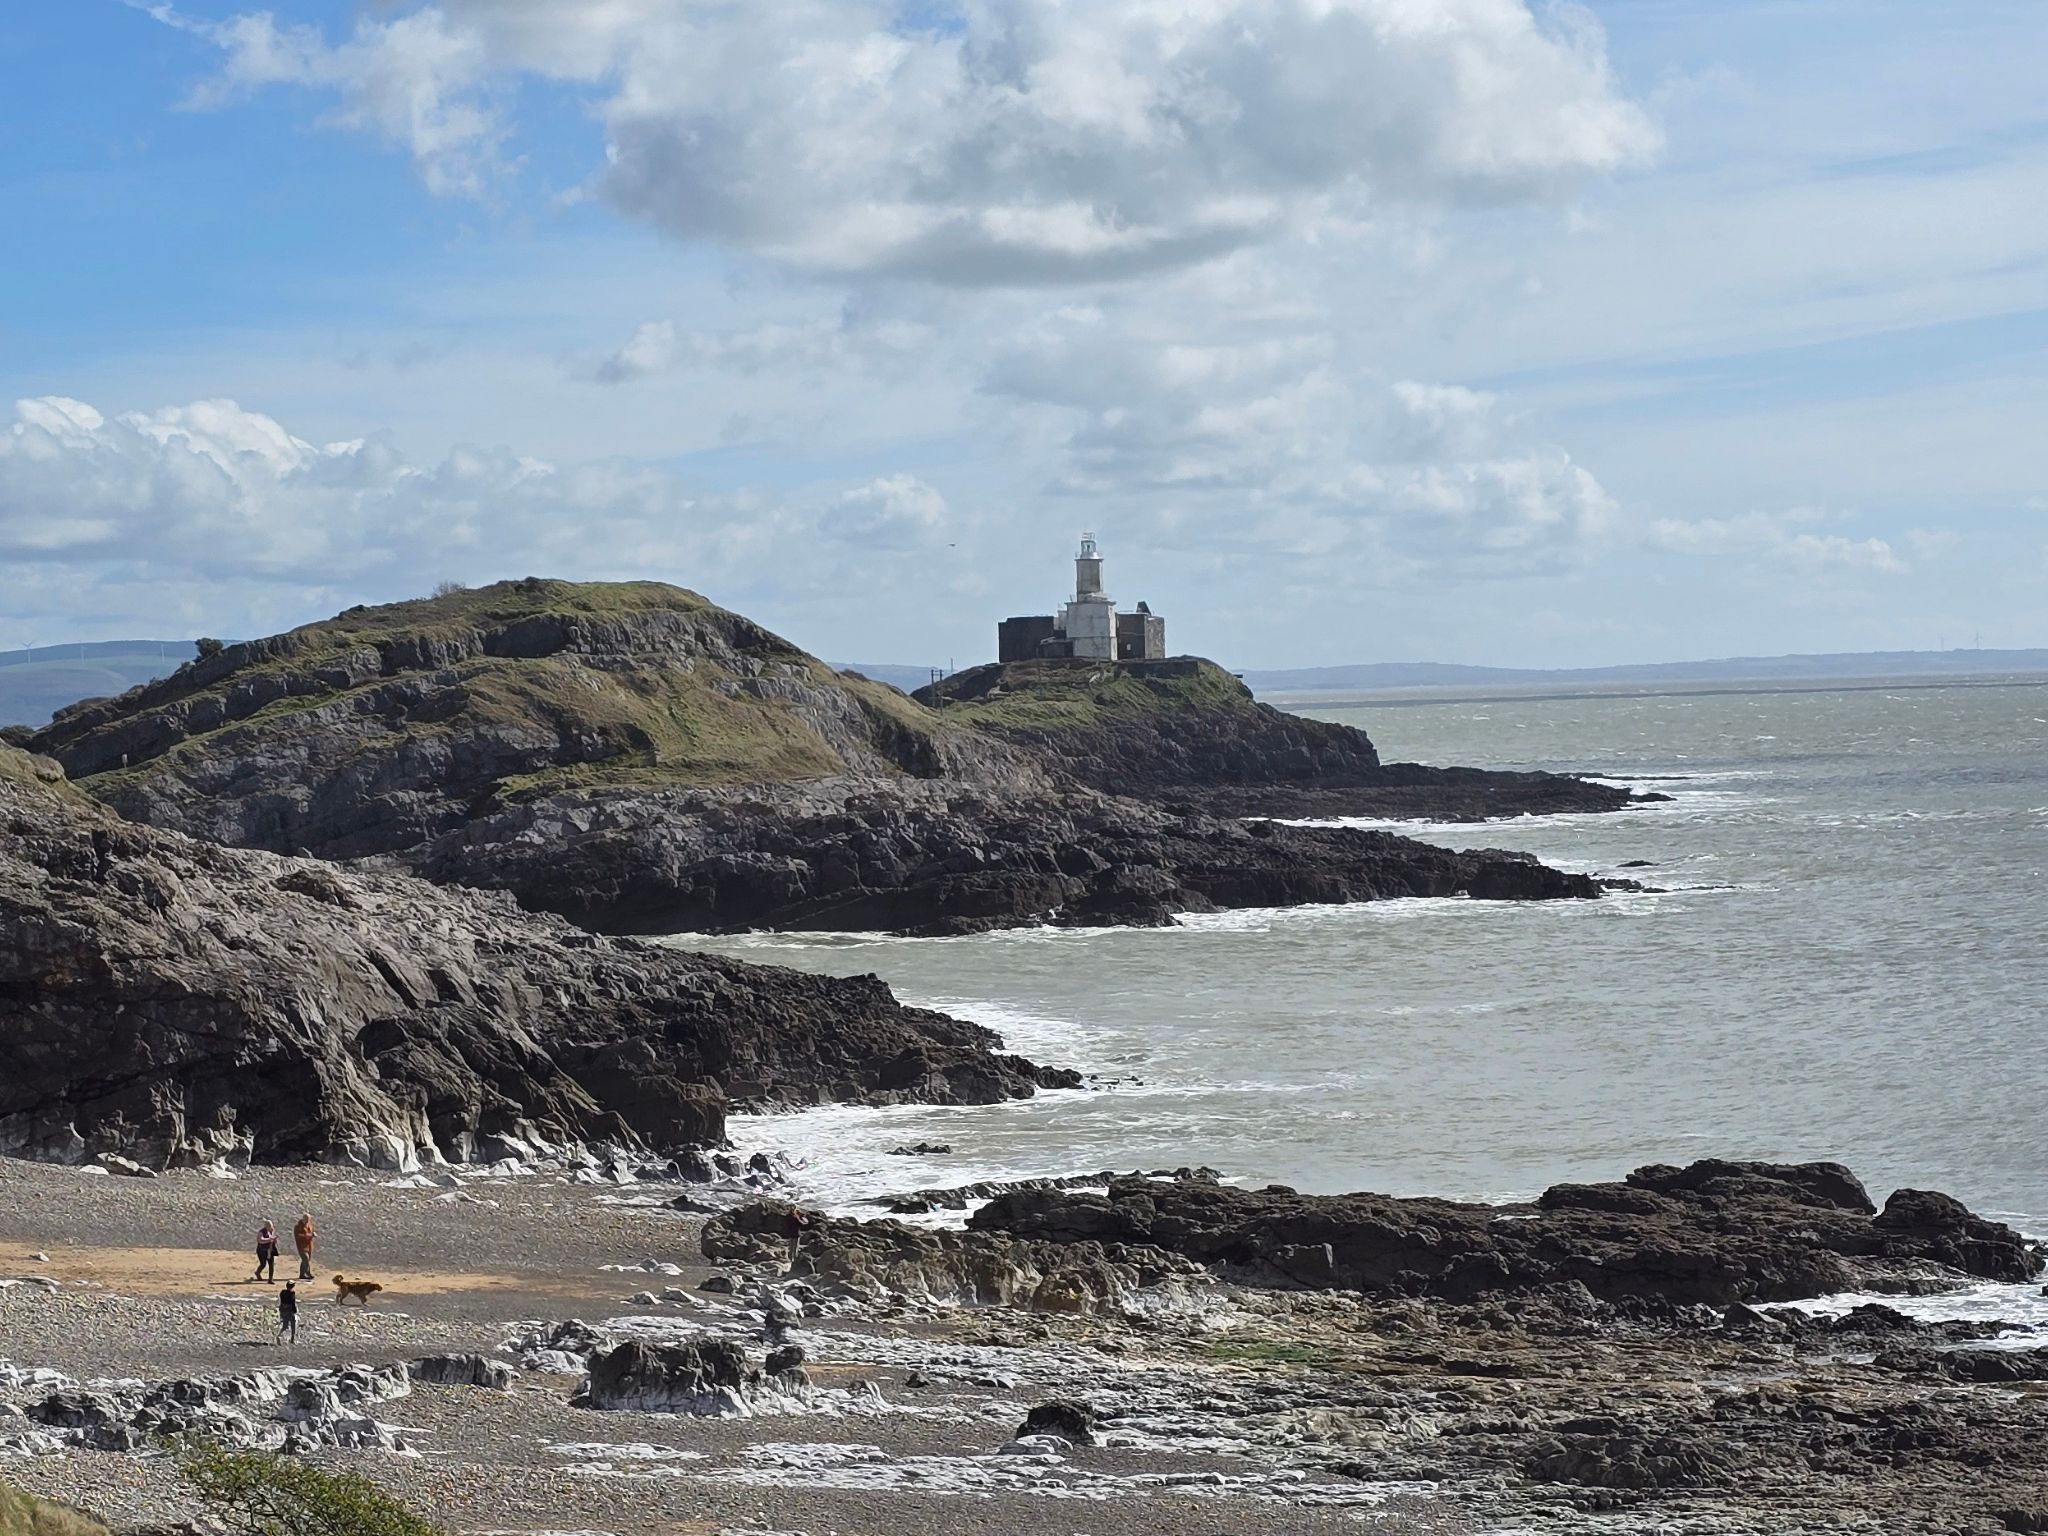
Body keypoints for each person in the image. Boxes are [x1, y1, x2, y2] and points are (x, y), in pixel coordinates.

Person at [293, 1213, 316, 1279]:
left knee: (307, 1259)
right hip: (301, 1246)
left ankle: (307, 1272)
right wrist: (308, 1235)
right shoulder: (298, 1226)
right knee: (305, 1258)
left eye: (308, 1219)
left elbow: (311, 1233)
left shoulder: (309, 1225)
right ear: (303, 1219)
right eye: (306, 1219)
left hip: (309, 1245)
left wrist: (313, 1234)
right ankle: (302, 1274)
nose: (307, 1221)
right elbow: (298, 1236)